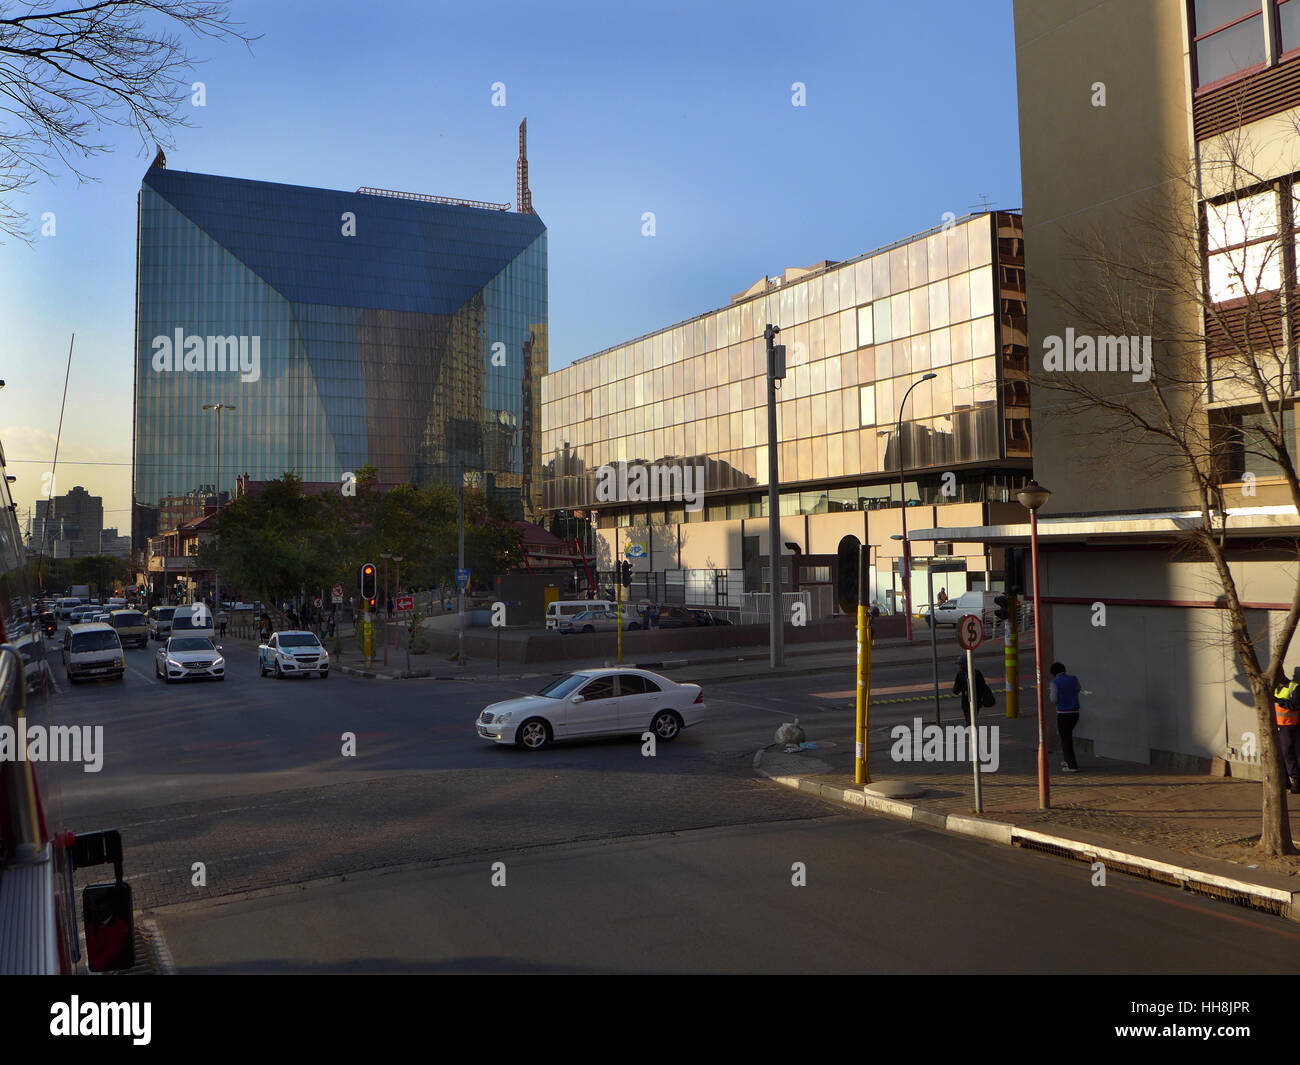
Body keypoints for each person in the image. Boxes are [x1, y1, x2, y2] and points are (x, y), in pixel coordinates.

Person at [1049, 662, 1082, 773]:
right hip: (1075, 712)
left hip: (1063, 713)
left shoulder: (1055, 682)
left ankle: (1071, 765)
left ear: (1053, 673)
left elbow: (1053, 699)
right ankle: (1067, 760)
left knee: (1065, 739)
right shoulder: (1073, 678)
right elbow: (1078, 689)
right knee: (1067, 736)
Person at [1273, 667, 1300, 795]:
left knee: (1288, 754)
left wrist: (1279, 701)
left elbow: (1295, 705)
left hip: (1290, 726)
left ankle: (1296, 782)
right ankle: (1285, 782)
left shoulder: (1294, 687)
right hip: (1279, 726)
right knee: (1282, 754)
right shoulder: (1276, 688)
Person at [954, 658, 995, 724]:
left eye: (962, 664)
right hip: (965, 702)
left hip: (975, 700)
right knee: (968, 719)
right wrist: (957, 690)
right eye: (960, 664)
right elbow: (956, 688)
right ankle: (971, 731)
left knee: (970, 721)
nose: (960, 666)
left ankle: (971, 731)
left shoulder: (976, 673)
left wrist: (986, 698)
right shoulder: (960, 674)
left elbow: (982, 686)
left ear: (968, 664)